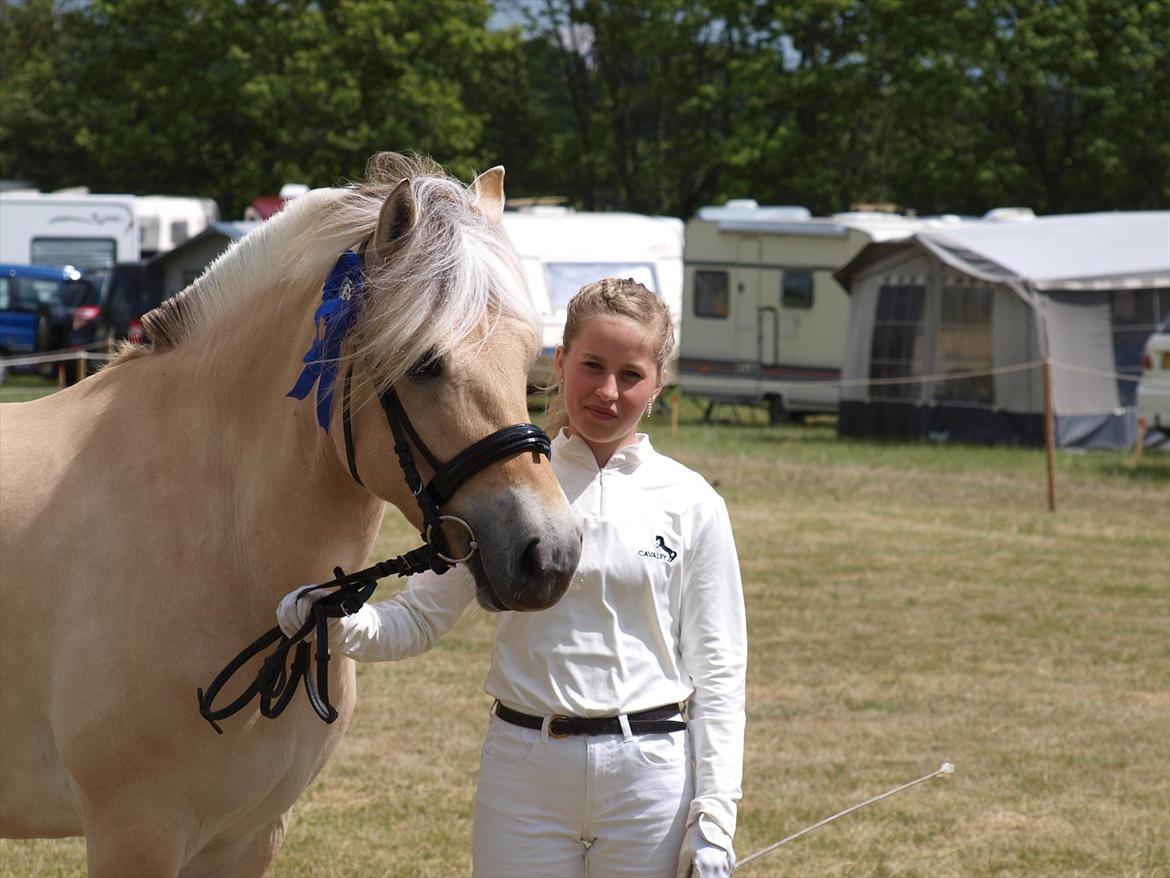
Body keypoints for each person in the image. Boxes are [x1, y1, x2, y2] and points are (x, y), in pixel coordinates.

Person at [277, 278, 747, 878]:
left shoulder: (692, 503)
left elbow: (719, 675)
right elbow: (417, 619)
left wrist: (713, 820)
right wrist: (335, 619)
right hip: (524, 773)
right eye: (592, 366)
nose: (607, 391)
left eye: (630, 375)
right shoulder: (506, 492)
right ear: (559, 361)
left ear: (658, 383)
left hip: (650, 779)